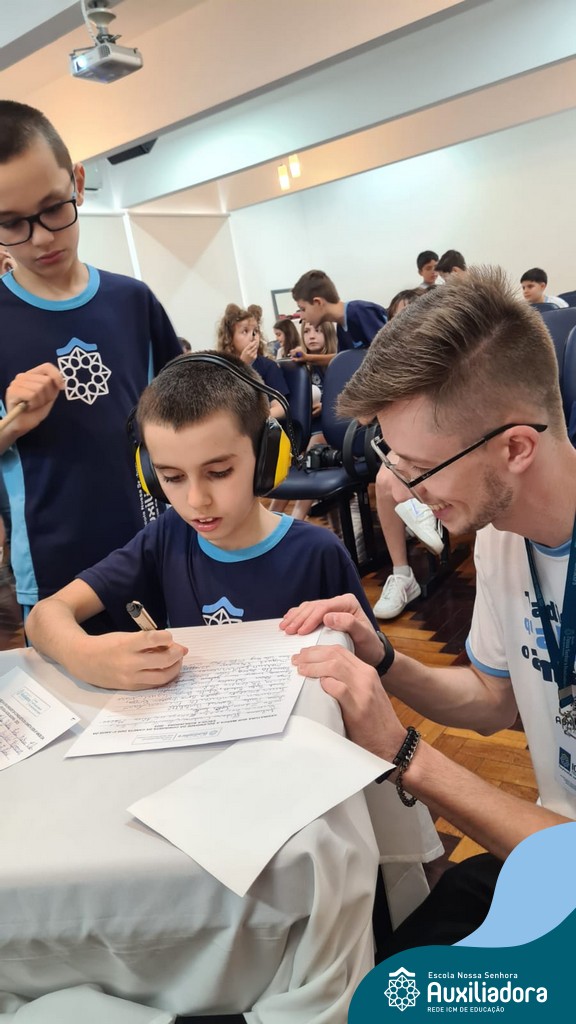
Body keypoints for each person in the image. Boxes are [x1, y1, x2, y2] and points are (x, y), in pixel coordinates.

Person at [283, 268, 574, 939]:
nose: (400, 489)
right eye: (393, 461)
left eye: (418, 468)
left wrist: (405, 751)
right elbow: (492, 701)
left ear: (517, 447)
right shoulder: (504, 536)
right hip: (542, 846)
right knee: (386, 959)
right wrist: (384, 660)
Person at [25, 352, 381, 691]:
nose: (196, 500)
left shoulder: (318, 554)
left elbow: (371, 667)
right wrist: (86, 656)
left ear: (268, 458)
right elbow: (44, 616)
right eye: (172, 477)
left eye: (219, 472)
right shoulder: (166, 537)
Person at [0, 101, 182, 619]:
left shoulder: (133, 302)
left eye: (53, 208)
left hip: (155, 549)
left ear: (78, 183)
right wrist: (11, 426)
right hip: (53, 573)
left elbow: (186, 416)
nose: (40, 237)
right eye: (11, 223)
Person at [372, 287, 444, 619]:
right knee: (385, 478)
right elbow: (368, 417)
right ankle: (402, 574)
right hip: (404, 448)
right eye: (395, 322)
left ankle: (424, 511)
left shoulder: (446, 356)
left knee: (392, 477)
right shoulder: (393, 366)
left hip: (447, 446)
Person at [270, 321, 338, 522]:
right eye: (307, 331)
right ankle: (272, 518)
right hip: (305, 430)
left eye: (318, 331)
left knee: (313, 452)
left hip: (329, 429)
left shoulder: (337, 364)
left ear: (328, 334)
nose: (312, 336)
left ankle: (298, 519)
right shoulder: (301, 369)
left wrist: (326, 406)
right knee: (291, 462)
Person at [216, 302, 289, 420]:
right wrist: (243, 365)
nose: (253, 336)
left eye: (256, 331)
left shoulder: (268, 366)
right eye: (245, 331)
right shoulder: (221, 367)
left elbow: (281, 409)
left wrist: (252, 421)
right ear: (230, 338)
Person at [292, 268, 387, 352]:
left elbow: (388, 354)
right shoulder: (341, 327)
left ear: (318, 303)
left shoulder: (360, 312)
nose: (301, 316)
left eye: (303, 309)